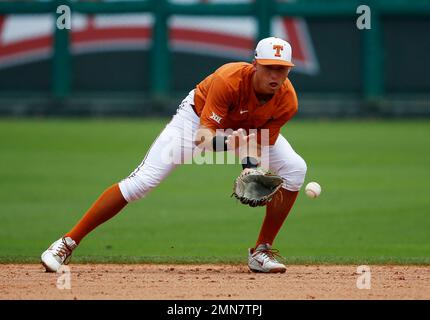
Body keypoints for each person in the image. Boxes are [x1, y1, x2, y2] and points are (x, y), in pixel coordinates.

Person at [41, 37, 307, 274]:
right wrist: (229, 142)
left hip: (241, 129)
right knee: (141, 183)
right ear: (255, 65)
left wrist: (249, 169)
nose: (275, 74)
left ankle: (260, 251)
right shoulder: (229, 79)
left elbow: (257, 140)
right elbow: (203, 138)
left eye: (281, 69)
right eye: (269, 67)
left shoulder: (287, 100)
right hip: (195, 121)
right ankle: (65, 243)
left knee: (296, 168)